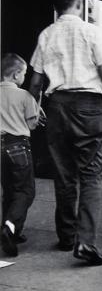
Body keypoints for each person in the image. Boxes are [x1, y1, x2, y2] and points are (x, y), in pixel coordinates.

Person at [29, 0, 102, 266]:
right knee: (91, 174)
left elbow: (35, 81)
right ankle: (86, 241)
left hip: (57, 105)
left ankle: (66, 234)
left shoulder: (46, 34)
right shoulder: (91, 32)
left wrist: (34, 110)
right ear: (79, 2)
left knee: (64, 173)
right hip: (88, 106)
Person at [0, 54, 41, 257]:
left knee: (8, 190)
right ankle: (10, 226)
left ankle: (10, 230)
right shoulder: (25, 96)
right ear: (16, 74)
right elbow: (32, 124)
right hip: (18, 146)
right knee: (25, 190)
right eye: (24, 73)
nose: (24, 77)